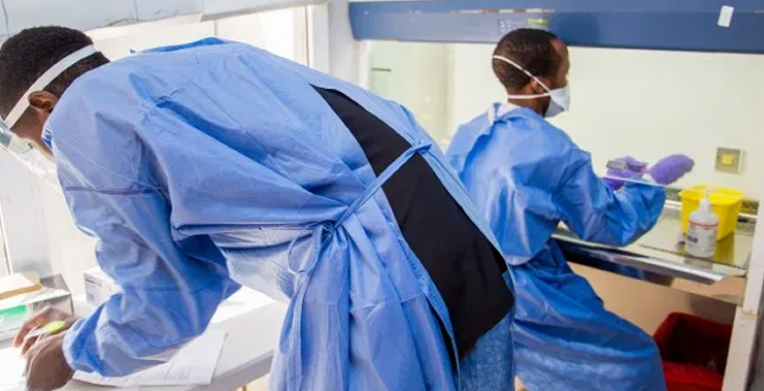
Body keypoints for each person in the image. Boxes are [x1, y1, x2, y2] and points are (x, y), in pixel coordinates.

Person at [0, 27, 517, 391]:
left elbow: (168, 300)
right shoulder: (192, 60)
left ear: (46, 103)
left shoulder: (84, 116)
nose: (48, 151)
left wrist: (71, 354)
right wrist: (93, 319)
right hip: (456, 238)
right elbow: (205, 256)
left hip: (390, 273)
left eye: (33, 140)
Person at [446, 28, 694, 391]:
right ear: (537, 84)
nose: (565, 81)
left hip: (467, 284)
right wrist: (650, 184)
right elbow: (610, 225)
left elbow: (505, 194)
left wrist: (595, 187)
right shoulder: (553, 148)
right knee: (634, 360)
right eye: (564, 72)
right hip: (526, 296)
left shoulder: (470, 131)